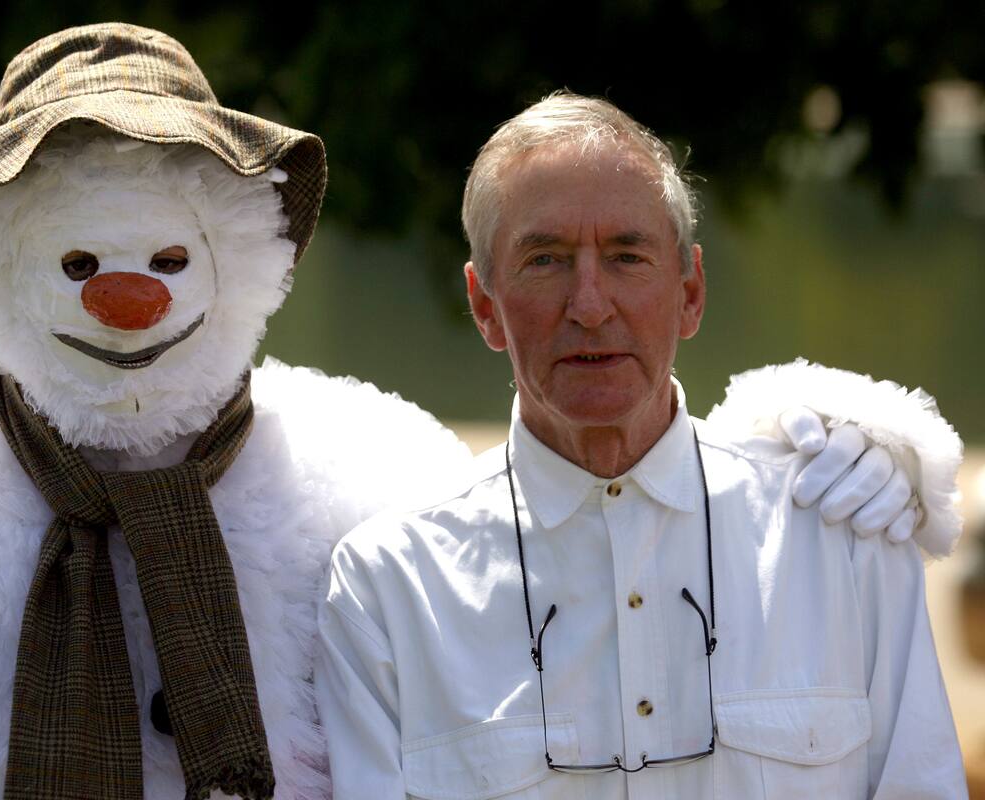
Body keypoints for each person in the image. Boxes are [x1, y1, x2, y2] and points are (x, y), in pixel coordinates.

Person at [315, 93, 966, 799]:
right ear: (484, 305)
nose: (590, 305)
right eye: (546, 260)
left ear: (690, 292)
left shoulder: (844, 535)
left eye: (627, 256)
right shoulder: (389, 588)